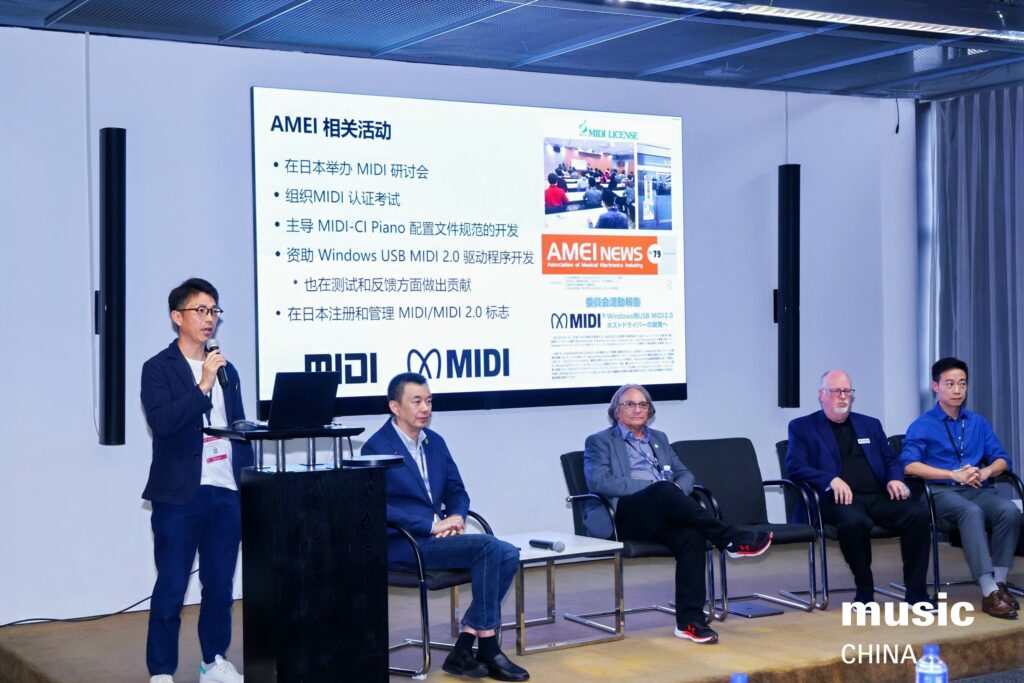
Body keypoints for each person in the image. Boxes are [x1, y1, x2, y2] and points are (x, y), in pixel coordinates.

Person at [361, 373, 529, 680]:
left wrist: (457, 519)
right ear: (395, 407)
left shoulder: (435, 442)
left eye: (429, 401)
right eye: (417, 401)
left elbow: (457, 491)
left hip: (438, 538)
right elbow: (378, 506)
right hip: (405, 542)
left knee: (507, 553)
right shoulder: (376, 448)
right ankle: (486, 646)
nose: (425, 408)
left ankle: (465, 646)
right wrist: (431, 525)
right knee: (494, 550)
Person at [583, 384, 772, 644]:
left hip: (664, 511)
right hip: (625, 515)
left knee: (691, 535)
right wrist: (654, 487)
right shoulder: (600, 441)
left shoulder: (658, 438)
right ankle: (729, 538)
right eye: (630, 404)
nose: (638, 409)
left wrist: (677, 488)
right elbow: (599, 481)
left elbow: (686, 474)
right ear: (616, 411)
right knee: (662, 489)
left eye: (643, 404)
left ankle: (689, 621)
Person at [141, 278, 252, 683]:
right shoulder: (157, 369)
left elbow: (236, 425)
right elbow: (164, 423)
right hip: (179, 494)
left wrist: (249, 478)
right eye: (201, 310)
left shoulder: (227, 368)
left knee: (220, 587)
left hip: (226, 490)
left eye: (214, 311)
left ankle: (213, 661)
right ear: (177, 317)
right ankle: (161, 671)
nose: (210, 319)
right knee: (171, 586)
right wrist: (202, 384)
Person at [785, 370, 932, 606]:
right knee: (855, 523)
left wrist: (895, 479)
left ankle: (917, 593)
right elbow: (794, 466)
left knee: (917, 514)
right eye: (836, 391)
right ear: (821, 395)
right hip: (835, 500)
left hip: (877, 496)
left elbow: (891, 460)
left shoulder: (870, 424)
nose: (843, 396)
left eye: (847, 391)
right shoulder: (803, 427)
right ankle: (865, 590)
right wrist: (829, 480)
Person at [901, 357, 1021, 619]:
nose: (957, 390)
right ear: (935, 386)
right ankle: (988, 592)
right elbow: (909, 466)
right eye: (950, 384)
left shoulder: (977, 422)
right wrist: (951, 475)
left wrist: (986, 471)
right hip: (940, 493)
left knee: (1008, 511)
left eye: (962, 384)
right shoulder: (923, 425)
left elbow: (1002, 459)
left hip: (977, 488)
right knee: (971, 512)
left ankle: (999, 584)